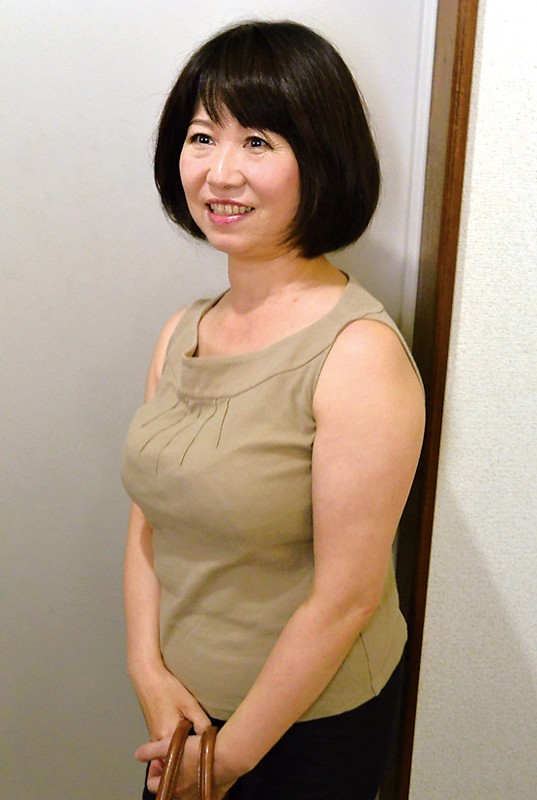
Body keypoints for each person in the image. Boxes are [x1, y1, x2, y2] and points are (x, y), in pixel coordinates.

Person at [121, 20, 425, 800]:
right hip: (181, 712)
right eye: (201, 137)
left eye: (257, 141)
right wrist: (147, 670)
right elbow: (148, 516)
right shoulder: (182, 332)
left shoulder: (357, 355)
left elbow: (347, 598)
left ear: (320, 159)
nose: (220, 173)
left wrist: (224, 762)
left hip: (306, 731)